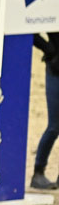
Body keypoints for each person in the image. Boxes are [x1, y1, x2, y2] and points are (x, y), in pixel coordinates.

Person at [31, 31, 59, 189]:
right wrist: (49, 49)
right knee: (54, 127)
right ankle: (38, 172)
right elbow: (31, 29)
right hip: (56, 70)